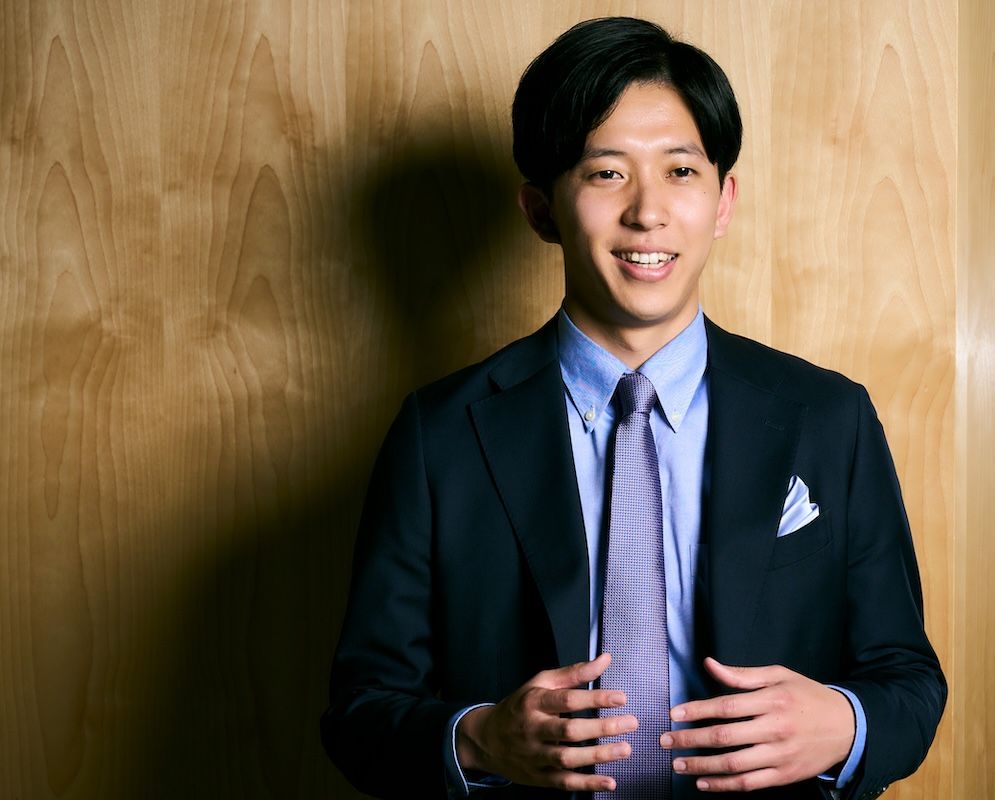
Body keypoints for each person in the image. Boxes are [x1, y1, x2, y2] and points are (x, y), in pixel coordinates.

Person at [321, 16, 945, 800]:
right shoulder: (438, 433)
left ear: (723, 201)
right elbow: (359, 712)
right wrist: (481, 738)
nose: (649, 212)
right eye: (607, 173)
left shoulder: (829, 417)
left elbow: (908, 682)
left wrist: (845, 725)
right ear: (541, 210)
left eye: (681, 171)